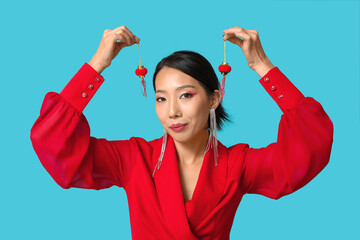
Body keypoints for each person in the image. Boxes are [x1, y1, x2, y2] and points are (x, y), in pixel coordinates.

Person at [30, 25, 334, 240]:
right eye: (161, 98)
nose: (172, 111)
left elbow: (310, 145)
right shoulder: (133, 158)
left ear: (214, 99)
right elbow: (53, 142)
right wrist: (98, 64)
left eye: (186, 95)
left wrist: (262, 66)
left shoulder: (239, 164)